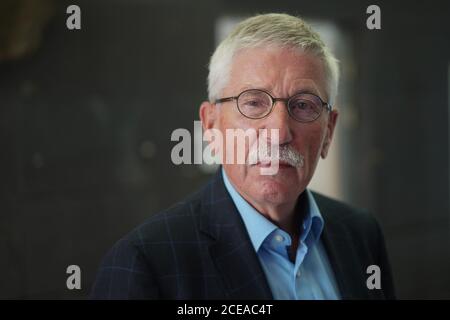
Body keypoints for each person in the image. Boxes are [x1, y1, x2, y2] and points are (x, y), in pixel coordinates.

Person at [90, 13, 395, 300]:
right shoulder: (144, 265)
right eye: (253, 102)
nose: (278, 133)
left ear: (328, 131)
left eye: (303, 105)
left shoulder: (361, 235)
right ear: (211, 126)